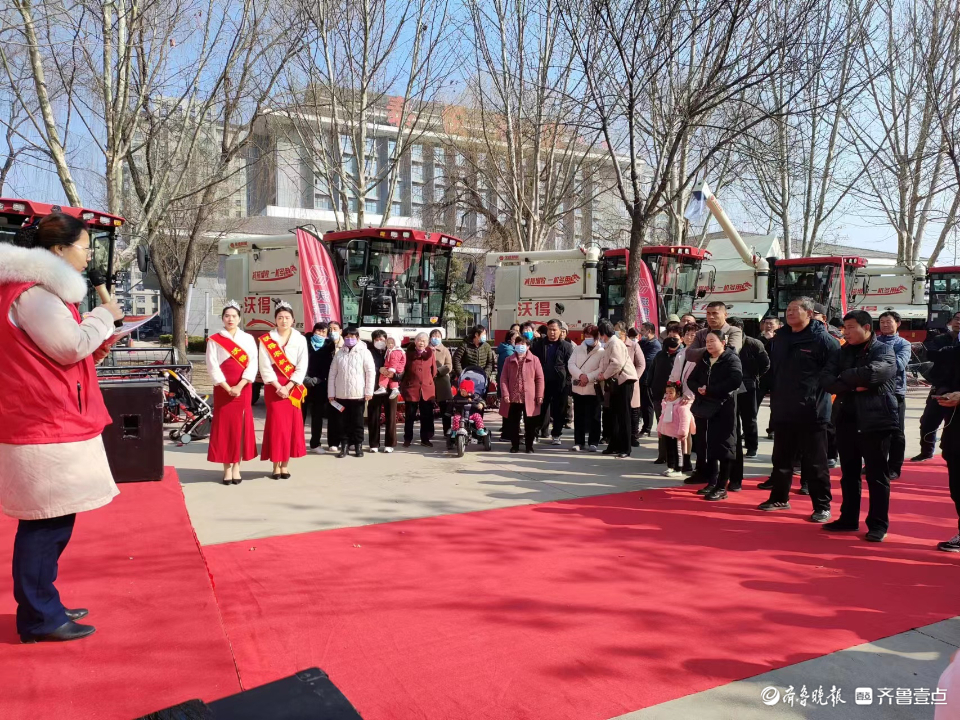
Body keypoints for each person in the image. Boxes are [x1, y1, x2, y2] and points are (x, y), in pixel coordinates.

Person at [0, 214, 124, 643]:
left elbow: (69, 353)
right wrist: (103, 317)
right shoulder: (35, 294)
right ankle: (39, 616)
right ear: (57, 251)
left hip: (47, 421)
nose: (88, 254)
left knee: (52, 521)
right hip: (44, 424)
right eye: (85, 246)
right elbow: (70, 346)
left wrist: (100, 332)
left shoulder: (36, 293)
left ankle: (44, 602)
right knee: (45, 524)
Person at [758, 297, 840, 521]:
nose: (790, 313)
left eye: (795, 310)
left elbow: (835, 372)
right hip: (783, 408)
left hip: (812, 410)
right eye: (788, 310)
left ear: (809, 313)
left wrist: (818, 393)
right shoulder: (781, 337)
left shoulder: (823, 340)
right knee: (781, 458)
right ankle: (779, 498)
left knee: (815, 463)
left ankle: (822, 505)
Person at [820, 311, 898, 542]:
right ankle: (848, 518)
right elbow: (825, 379)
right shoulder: (842, 351)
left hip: (876, 420)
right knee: (849, 473)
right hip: (846, 418)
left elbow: (876, 374)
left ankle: (877, 524)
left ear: (866, 327)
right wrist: (853, 383)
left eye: (851, 327)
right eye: (844, 328)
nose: (846, 332)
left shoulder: (882, 349)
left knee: (876, 475)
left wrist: (844, 379)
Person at [685, 331, 744, 500]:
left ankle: (721, 486)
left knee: (724, 446)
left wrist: (711, 390)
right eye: (707, 341)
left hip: (724, 406)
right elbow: (691, 379)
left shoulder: (731, 359)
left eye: (713, 341)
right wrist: (700, 389)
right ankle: (711, 482)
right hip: (705, 407)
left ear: (723, 342)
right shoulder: (704, 358)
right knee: (708, 445)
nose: (709, 344)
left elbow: (735, 380)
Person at [206, 301, 258, 483]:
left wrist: (240, 385)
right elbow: (212, 366)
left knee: (240, 427)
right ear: (222, 319)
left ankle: (237, 467)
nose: (230, 319)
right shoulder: (215, 339)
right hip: (223, 389)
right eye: (227, 316)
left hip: (243, 388)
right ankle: (226, 468)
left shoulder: (248, 339)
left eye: (234, 316)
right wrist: (228, 387)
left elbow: (253, 363)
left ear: (239, 319)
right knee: (225, 428)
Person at [258, 302, 308, 478]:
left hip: (292, 386)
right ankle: (275, 464)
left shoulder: (300, 339)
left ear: (293, 320)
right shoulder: (267, 340)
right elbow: (264, 366)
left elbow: (302, 365)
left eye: (287, 318)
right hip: (274, 386)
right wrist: (278, 386)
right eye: (280, 318)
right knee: (276, 425)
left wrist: (289, 385)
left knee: (290, 426)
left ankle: (285, 464)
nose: (284, 321)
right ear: (275, 320)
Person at [913, 311, 960, 461]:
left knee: (952, 426)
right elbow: (930, 355)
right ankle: (926, 451)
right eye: (957, 319)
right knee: (928, 422)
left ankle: (948, 451)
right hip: (940, 386)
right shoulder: (940, 338)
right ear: (951, 321)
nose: (959, 322)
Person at [328, 326, 375, 458]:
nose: (349, 339)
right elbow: (332, 374)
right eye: (347, 337)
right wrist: (331, 394)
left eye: (352, 337)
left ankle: (358, 446)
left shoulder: (364, 352)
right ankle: (344, 446)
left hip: (358, 394)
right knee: (342, 422)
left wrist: (368, 391)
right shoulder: (339, 354)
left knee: (357, 421)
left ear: (357, 338)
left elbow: (370, 373)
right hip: (341, 395)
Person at [876, 311, 912, 478]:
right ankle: (876, 464)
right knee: (875, 432)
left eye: (888, 321)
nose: (884, 325)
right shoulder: (874, 340)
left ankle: (894, 467)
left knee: (896, 432)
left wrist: (876, 366)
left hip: (895, 392)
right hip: (875, 391)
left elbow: (898, 365)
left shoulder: (903, 344)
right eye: (882, 322)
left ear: (898, 323)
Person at [727, 317, 769, 458]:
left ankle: (752, 447)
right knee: (731, 418)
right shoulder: (724, 343)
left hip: (748, 385)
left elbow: (765, 364)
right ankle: (734, 446)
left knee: (749, 418)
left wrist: (754, 377)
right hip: (729, 386)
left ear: (740, 328)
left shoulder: (753, 343)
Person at [598, 319, 639, 458]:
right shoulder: (611, 343)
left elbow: (616, 363)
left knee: (624, 415)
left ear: (603, 333)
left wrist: (604, 375)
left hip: (624, 381)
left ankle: (625, 448)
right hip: (616, 381)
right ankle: (614, 445)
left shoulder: (615, 343)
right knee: (614, 415)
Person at [531, 318, 574, 443]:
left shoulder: (566, 346)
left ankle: (556, 434)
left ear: (561, 331)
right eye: (550, 329)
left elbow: (570, 365)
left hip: (560, 383)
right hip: (542, 383)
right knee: (540, 409)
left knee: (559, 410)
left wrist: (567, 382)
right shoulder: (539, 344)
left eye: (555, 330)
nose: (552, 332)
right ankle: (535, 434)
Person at [500, 333, 544, 452]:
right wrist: (505, 394)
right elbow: (503, 378)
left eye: (523, 344)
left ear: (528, 346)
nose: (520, 346)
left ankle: (529, 446)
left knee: (530, 423)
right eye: (518, 344)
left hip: (530, 397)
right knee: (513, 424)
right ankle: (515, 446)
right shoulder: (508, 360)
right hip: (513, 397)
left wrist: (539, 395)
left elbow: (539, 378)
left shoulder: (535, 360)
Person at [567, 324, 605, 452]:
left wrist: (588, 377)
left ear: (597, 337)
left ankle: (593, 441)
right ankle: (579, 441)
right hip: (578, 387)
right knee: (579, 416)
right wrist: (580, 375)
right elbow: (571, 364)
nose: (588, 338)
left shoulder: (602, 351)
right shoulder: (578, 349)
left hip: (593, 387)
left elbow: (601, 368)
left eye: (591, 336)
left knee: (594, 416)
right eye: (586, 336)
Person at [303, 321, 337, 454]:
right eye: (318, 331)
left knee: (317, 417)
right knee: (300, 415)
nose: (320, 334)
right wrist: (305, 378)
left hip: (320, 385)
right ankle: (297, 443)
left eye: (323, 332)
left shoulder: (329, 345)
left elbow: (330, 366)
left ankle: (315, 444)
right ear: (313, 331)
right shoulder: (304, 342)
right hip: (302, 384)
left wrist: (318, 379)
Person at [367, 329, 403, 453]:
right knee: (373, 416)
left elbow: (401, 368)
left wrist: (394, 375)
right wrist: (379, 370)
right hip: (374, 388)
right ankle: (373, 444)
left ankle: (390, 443)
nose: (379, 342)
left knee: (391, 416)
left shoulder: (395, 351)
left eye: (382, 339)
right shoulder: (369, 352)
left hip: (391, 388)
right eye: (376, 339)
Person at [401, 332, 437, 447]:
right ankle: (408, 438)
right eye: (419, 340)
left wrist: (427, 381)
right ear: (415, 341)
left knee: (426, 416)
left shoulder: (430, 354)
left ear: (427, 343)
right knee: (410, 415)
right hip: (411, 388)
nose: (421, 343)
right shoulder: (408, 354)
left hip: (426, 389)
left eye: (424, 341)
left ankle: (425, 439)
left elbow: (434, 371)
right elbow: (404, 370)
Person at [650, 336, 682, 463]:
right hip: (659, 396)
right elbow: (652, 372)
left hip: (676, 396)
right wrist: (651, 387)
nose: (672, 350)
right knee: (662, 425)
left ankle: (675, 457)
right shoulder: (659, 356)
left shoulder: (681, 356)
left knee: (674, 427)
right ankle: (662, 455)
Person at [658, 382, 695, 479]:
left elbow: (684, 420)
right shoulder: (666, 404)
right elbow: (661, 417)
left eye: (671, 393)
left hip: (677, 434)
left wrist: (683, 432)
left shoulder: (681, 406)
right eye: (667, 393)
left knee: (678, 452)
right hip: (667, 432)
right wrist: (659, 429)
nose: (668, 395)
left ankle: (679, 469)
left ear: (678, 394)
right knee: (669, 450)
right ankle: (671, 467)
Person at [633, 324, 659, 437]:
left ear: (649, 331)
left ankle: (647, 428)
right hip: (639, 378)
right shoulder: (642, 343)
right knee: (640, 404)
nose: (640, 332)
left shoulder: (655, 345)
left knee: (647, 404)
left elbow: (647, 361)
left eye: (642, 330)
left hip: (648, 378)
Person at [323, 320, 344, 451]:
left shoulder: (346, 345)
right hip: (330, 385)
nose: (332, 332)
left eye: (335, 329)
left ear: (341, 331)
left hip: (344, 385)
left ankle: (346, 441)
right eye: (330, 329)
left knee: (345, 414)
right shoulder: (326, 346)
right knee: (332, 415)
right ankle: (333, 442)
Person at [757, 315, 780, 439]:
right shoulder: (759, 339)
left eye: (771, 323)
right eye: (766, 323)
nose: (768, 326)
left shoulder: (781, 339)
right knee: (755, 404)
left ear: (778, 325)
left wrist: (772, 340)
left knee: (775, 405)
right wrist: (765, 340)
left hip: (777, 376)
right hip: (762, 377)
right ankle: (750, 431)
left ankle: (773, 429)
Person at [431, 329, 454, 439]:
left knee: (445, 409)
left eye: (438, 336)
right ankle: (428, 432)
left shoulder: (445, 350)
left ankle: (447, 431)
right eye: (434, 336)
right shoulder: (426, 349)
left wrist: (438, 371)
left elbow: (449, 366)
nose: (436, 338)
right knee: (427, 409)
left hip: (442, 382)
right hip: (429, 382)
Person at [374, 332, 406, 398]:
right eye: (388, 343)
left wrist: (391, 370)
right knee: (391, 378)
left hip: (394, 368)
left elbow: (394, 361)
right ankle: (394, 389)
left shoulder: (395, 351)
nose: (390, 345)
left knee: (384, 375)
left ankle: (382, 387)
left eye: (392, 343)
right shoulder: (390, 350)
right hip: (394, 367)